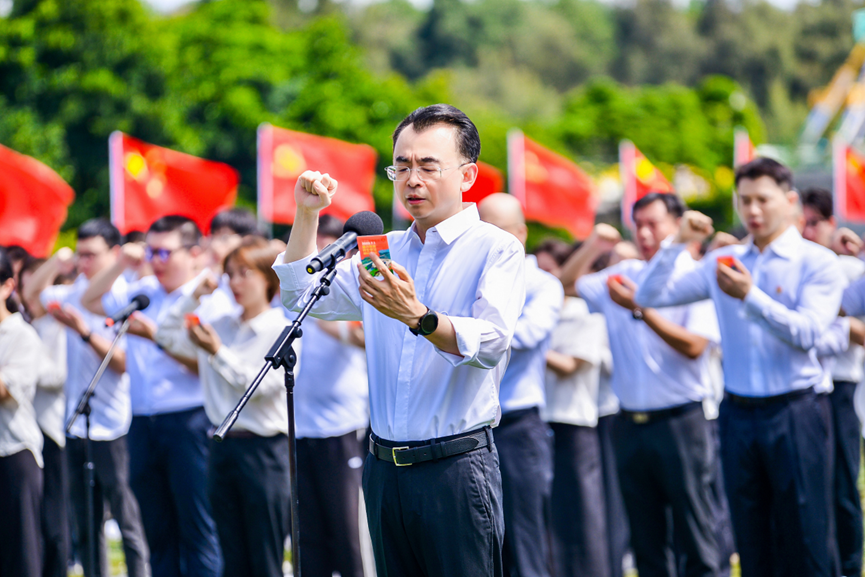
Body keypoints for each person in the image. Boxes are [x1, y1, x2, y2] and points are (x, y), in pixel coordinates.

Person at [273, 104, 526, 577]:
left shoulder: (496, 247)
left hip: (455, 467)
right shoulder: (381, 250)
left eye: (428, 166)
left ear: (467, 175)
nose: (412, 179)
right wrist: (306, 215)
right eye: (402, 166)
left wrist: (417, 316)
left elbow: (491, 344)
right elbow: (301, 296)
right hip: (383, 469)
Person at [635, 158, 845, 577]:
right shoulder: (723, 262)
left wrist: (751, 296)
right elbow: (651, 295)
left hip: (796, 411)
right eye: (744, 200)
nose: (753, 210)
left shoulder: (817, 262)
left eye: (763, 199)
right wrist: (677, 243)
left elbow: (808, 333)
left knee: (807, 537)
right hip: (737, 414)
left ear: (790, 201)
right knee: (750, 538)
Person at [560, 192, 724, 577]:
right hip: (629, 422)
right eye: (639, 225)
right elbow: (567, 284)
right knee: (646, 538)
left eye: (655, 224)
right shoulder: (626, 273)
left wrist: (640, 310)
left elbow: (695, 346)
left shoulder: (693, 274)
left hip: (681, 420)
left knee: (695, 533)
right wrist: (595, 245)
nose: (646, 233)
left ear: (678, 226)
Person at [82, 215, 222, 577]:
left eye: (165, 252)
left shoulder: (207, 298)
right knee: (155, 530)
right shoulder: (141, 291)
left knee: (197, 527)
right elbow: (90, 299)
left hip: (190, 419)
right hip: (142, 421)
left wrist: (157, 336)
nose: (157, 261)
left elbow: (208, 366)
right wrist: (122, 263)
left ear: (194, 253)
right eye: (152, 251)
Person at [155, 238, 291, 577]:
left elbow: (261, 387)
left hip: (263, 451)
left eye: (245, 273)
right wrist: (195, 292)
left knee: (265, 555)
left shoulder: (280, 328)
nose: (235, 282)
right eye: (230, 274)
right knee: (230, 555)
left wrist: (217, 353)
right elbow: (165, 334)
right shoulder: (223, 325)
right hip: (220, 447)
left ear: (268, 279)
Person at [23, 219, 149, 577]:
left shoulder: (123, 295)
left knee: (125, 513)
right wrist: (54, 263)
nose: (83, 264)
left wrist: (83, 332)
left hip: (114, 425)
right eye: (80, 256)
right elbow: (31, 297)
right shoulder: (72, 291)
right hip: (75, 422)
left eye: (91, 256)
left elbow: (123, 363)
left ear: (114, 254)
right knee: (86, 517)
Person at [478, 193, 562, 577]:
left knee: (525, 542)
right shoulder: (470, 275)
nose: (488, 240)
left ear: (520, 233)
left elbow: (526, 335)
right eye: (482, 229)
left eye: (498, 231)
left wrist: (458, 331)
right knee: (482, 543)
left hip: (517, 427)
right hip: (474, 430)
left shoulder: (543, 284)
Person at [294, 214, 369, 577]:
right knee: (307, 536)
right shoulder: (299, 288)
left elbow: (367, 339)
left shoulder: (354, 283)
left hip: (342, 426)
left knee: (347, 534)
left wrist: (332, 324)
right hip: (299, 425)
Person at [533, 239, 612, 577]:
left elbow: (571, 365)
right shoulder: (534, 313)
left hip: (575, 425)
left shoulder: (585, 313)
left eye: (551, 271)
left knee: (581, 519)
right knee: (549, 520)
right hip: (541, 421)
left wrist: (527, 342)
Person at [801, 187, 865, 577]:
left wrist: (823, 321)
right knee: (813, 489)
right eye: (801, 223)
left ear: (830, 224)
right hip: (806, 388)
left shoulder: (848, 269)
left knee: (842, 486)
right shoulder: (796, 265)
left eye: (813, 223)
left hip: (841, 382)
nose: (807, 232)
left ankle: (850, 565)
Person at [19, 258, 70, 577]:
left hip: (51, 431)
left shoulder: (56, 325)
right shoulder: (31, 325)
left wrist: (24, 367)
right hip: (29, 431)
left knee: (54, 520)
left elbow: (57, 376)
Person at [0, 247, 44, 577]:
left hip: (14, 454)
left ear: (7, 286)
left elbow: (5, 390)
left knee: (21, 557)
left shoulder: (22, 335)